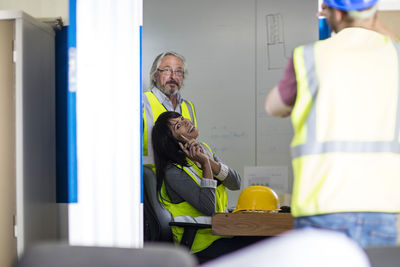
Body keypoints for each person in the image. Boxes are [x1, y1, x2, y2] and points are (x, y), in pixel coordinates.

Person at [265, 0, 400, 248]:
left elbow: (273, 106)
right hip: (379, 209)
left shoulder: (309, 56)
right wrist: (370, 18)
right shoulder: (394, 54)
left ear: (335, 12)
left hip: (322, 206)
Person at [151, 111, 263, 263]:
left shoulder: (205, 150)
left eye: (183, 118)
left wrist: (208, 161)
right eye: (178, 126)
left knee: (267, 241)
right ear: (174, 143)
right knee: (258, 253)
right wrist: (204, 164)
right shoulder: (173, 172)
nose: (186, 122)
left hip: (223, 233)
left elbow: (235, 183)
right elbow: (209, 208)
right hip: (200, 245)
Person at [143, 51, 197, 167]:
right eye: (167, 70)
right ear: (154, 75)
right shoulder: (141, 103)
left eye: (178, 71)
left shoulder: (188, 107)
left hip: (185, 178)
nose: (173, 76)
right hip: (152, 181)